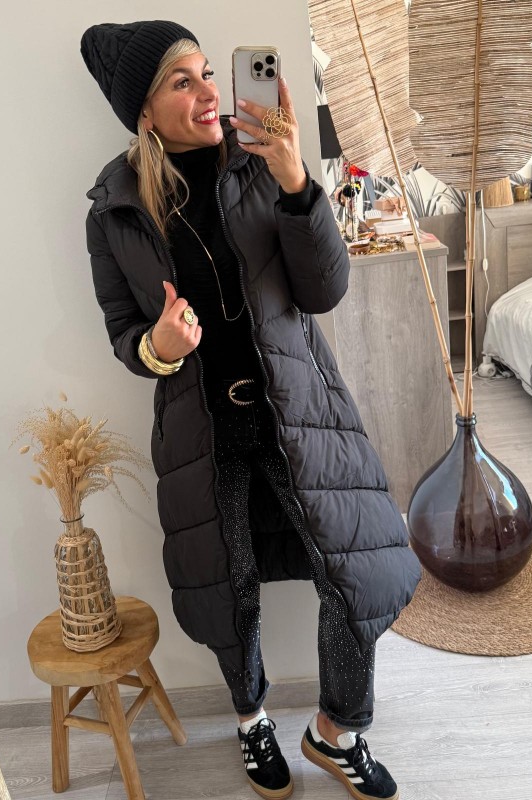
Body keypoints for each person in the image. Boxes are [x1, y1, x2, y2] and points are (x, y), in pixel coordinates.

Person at [80, 20, 421, 800]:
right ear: (143, 111)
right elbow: (123, 333)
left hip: (295, 410)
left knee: (358, 574)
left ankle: (338, 731)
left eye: (208, 73)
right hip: (202, 430)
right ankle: (250, 720)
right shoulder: (114, 209)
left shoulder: (262, 159)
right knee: (227, 589)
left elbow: (323, 291)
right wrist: (160, 344)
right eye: (182, 82)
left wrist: (297, 180)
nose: (208, 94)